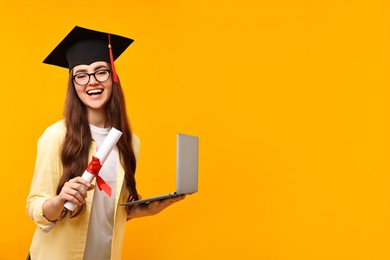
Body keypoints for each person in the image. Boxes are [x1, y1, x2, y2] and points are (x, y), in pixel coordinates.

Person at [26, 26, 185, 260]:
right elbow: (35, 207)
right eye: (81, 74)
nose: (92, 81)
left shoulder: (130, 143)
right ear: (73, 83)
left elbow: (109, 210)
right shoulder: (56, 136)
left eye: (101, 71)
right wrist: (59, 200)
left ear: (113, 77)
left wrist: (147, 210)